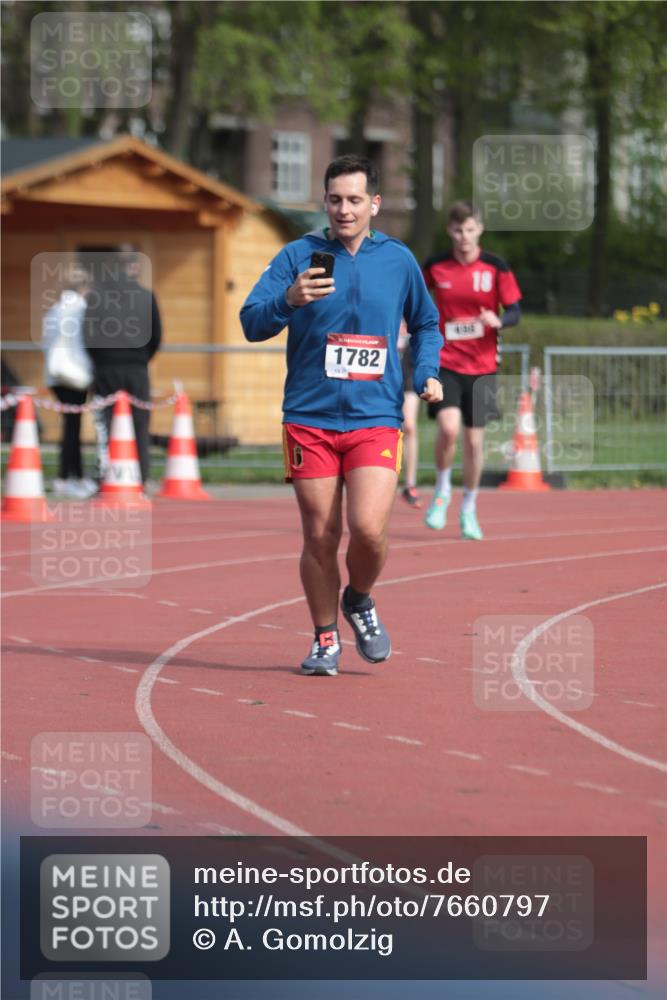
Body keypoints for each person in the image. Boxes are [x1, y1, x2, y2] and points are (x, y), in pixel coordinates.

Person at [241, 154, 443, 676]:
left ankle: (360, 597)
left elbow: (426, 323)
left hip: (375, 415)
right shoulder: (297, 255)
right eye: (335, 200)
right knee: (320, 535)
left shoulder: (397, 260)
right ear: (324, 202)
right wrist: (287, 300)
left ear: (374, 203)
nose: (344, 210)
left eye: (355, 200)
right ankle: (325, 637)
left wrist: (425, 374)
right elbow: (251, 322)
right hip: (309, 415)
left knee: (368, 530)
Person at [422, 201, 521, 540]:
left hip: (482, 366)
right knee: (449, 429)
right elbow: (414, 300)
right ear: (450, 230)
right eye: (458, 230)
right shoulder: (436, 266)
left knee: (475, 442)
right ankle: (442, 490)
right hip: (446, 360)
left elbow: (516, 310)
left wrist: (500, 319)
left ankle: (469, 507)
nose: (464, 237)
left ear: (479, 229)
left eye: (470, 229)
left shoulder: (495, 266)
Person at [83, 245, 162, 486]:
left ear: (112, 266)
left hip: (106, 367)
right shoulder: (146, 296)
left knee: (106, 425)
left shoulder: (96, 295)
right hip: (137, 367)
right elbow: (156, 336)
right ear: (135, 267)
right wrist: (141, 358)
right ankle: (141, 478)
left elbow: (88, 335)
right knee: (139, 424)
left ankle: (107, 477)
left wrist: (100, 358)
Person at [42, 263, 97, 499]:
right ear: (84, 286)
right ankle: (69, 476)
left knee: (69, 425)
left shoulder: (54, 309)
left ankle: (71, 474)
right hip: (76, 374)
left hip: (55, 375)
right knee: (73, 427)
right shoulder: (82, 308)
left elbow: (46, 341)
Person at [398, 321, 423, 508]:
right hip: (381, 371)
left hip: (409, 371)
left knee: (409, 425)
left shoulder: (412, 296)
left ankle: (410, 483)